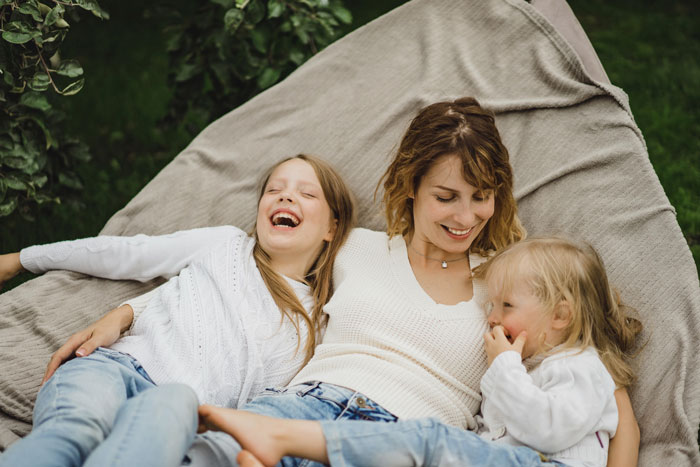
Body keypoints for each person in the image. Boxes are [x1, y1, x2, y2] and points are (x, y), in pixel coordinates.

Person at [182, 97, 639, 467]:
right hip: (300, 408)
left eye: (482, 198)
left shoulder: (512, 283)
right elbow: (242, 272)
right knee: (195, 451)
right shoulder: (350, 246)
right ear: (411, 186)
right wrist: (129, 313)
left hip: (404, 445)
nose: (466, 218)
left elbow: (604, 393)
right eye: (446, 197)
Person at [0, 154, 355, 467]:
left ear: (332, 228)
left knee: (163, 417)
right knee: (71, 433)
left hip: (182, 409)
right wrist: (22, 259)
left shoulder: (317, 323)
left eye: (307, 194)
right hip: (110, 367)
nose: (286, 195)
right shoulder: (226, 245)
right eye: (274, 190)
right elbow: (128, 253)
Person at [197, 237, 642, 467]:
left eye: (506, 306)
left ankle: (279, 438)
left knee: (431, 441)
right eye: (491, 305)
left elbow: (545, 430)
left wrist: (503, 368)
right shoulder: (533, 367)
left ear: (560, 316)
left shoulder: (581, 369)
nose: (492, 317)